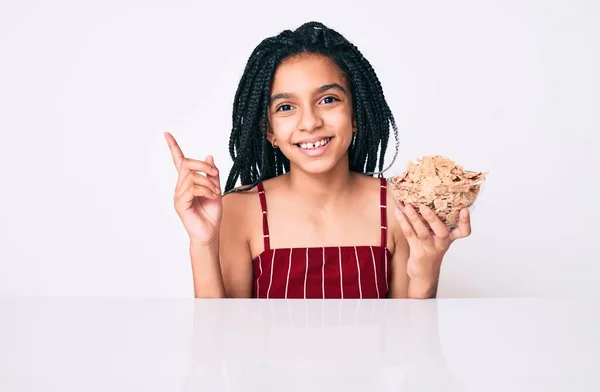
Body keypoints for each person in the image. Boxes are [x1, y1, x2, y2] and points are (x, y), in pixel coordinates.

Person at [164, 21, 473, 299]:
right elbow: (219, 339)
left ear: (355, 115)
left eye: (328, 100)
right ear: (269, 130)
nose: (309, 122)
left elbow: (411, 345)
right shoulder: (239, 211)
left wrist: (426, 270)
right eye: (286, 107)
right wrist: (202, 243)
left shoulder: (398, 204)